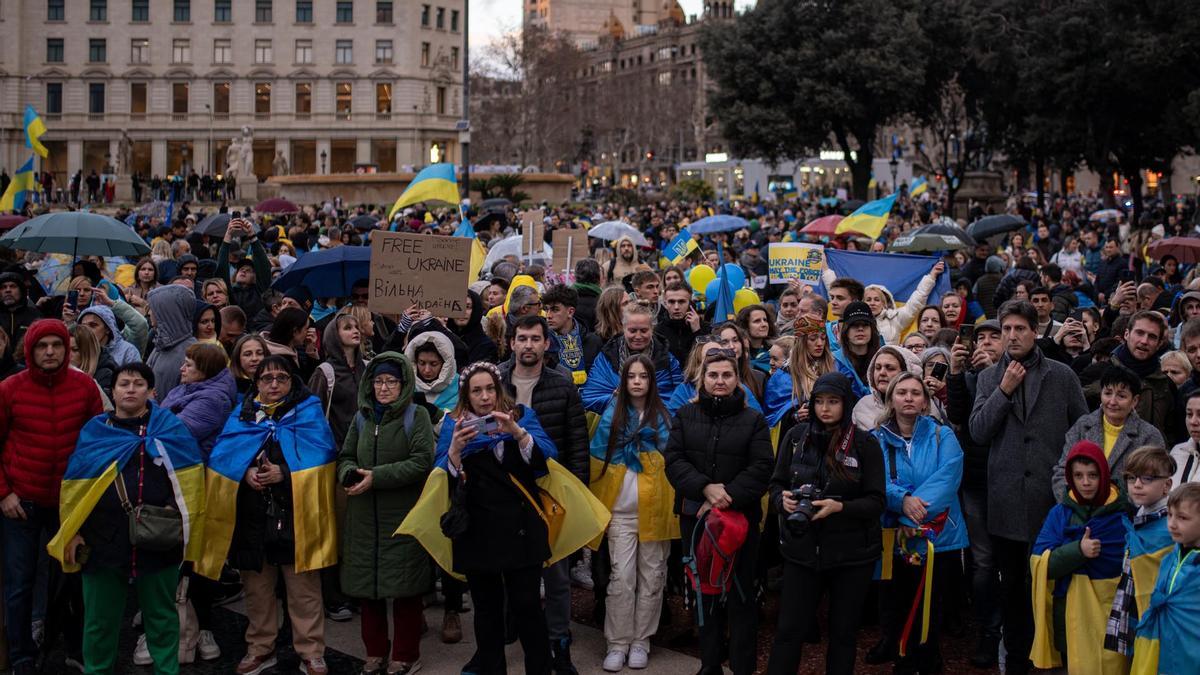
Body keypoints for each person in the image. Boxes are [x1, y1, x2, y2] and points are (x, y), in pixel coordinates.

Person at [48, 362, 206, 675]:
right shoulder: (95, 432)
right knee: (99, 622)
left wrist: (180, 518)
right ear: (113, 391)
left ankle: (167, 670)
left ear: (151, 391)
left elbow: (191, 484)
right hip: (102, 541)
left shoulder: (171, 430)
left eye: (137, 384)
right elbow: (75, 489)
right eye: (123, 384)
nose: (130, 389)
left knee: (161, 618)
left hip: (159, 539)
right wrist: (74, 532)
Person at [969, 299, 1088, 675]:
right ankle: (1016, 661)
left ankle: (1054, 658)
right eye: (1006, 329)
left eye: (1020, 328)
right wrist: (1003, 391)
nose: (1012, 335)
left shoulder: (1062, 375)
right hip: (1005, 505)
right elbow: (978, 432)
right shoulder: (989, 378)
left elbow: (1082, 430)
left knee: (1051, 587)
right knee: (1014, 591)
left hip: (1049, 504)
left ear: (1036, 331)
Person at [201, 355, 339, 675]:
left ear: (293, 381)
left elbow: (323, 456)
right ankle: (260, 646)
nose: (274, 384)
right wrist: (244, 472)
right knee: (257, 589)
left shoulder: (308, 411)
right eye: (266, 378)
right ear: (256, 383)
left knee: (303, 589)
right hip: (253, 517)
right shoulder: (243, 413)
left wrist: (285, 472)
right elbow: (223, 457)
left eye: (281, 378)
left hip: (296, 516)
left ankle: (311, 650)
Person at [435, 361, 558, 675]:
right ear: (466, 395)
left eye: (490, 388)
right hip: (477, 531)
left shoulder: (520, 416)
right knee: (486, 612)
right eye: (477, 390)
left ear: (499, 389)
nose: (485, 396)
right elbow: (439, 478)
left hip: (521, 530)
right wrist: (454, 452)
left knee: (528, 608)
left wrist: (517, 434)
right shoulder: (454, 425)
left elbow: (547, 458)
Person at [0, 320, 104, 673]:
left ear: (66, 347)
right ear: (30, 350)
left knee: (76, 581)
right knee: (19, 585)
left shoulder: (85, 387)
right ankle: (22, 657)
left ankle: (76, 648)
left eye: (56, 345)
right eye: (42, 345)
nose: (49, 352)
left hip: (71, 505)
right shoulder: (9, 389)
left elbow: (98, 444)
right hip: (22, 504)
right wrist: (4, 493)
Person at [765, 372, 885, 675]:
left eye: (833, 402)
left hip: (851, 554)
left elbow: (876, 501)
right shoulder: (796, 437)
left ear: (846, 403)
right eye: (819, 401)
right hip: (802, 551)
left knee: (843, 634)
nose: (825, 409)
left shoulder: (865, 443)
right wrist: (783, 502)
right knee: (789, 630)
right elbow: (776, 483)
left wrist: (839, 507)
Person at [664, 350, 773, 675]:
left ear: (737, 378)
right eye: (713, 375)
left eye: (727, 375)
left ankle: (742, 667)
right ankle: (709, 664)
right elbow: (674, 459)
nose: (720, 381)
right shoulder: (685, 414)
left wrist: (726, 495)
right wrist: (704, 489)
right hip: (696, 518)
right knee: (705, 593)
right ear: (702, 378)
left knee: (741, 596)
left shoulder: (753, 419)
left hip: (739, 519)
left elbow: (762, 465)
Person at [499, 315, 589, 673]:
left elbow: (577, 443)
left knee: (556, 575)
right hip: (505, 490)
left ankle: (558, 642)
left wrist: (576, 491)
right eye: (522, 338)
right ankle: (514, 628)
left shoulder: (562, 385)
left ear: (546, 344)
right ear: (512, 343)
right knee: (508, 567)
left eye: (535, 339)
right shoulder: (496, 382)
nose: (528, 345)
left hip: (550, 489)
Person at [338, 352, 435, 675]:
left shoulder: (415, 415)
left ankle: (405, 654)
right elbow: (346, 455)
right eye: (378, 381)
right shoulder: (362, 418)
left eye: (391, 381)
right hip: (364, 519)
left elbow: (422, 461)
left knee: (405, 590)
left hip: (402, 517)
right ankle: (375, 652)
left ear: (403, 383)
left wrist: (376, 477)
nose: (383, 388)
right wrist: (348, 473)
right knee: (369, 590)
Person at [873, 372, 968, 673]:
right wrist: (901, 500)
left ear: (925, 402)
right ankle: (903, 658)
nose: (909, 398)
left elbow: (948, 477)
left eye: (916, 393)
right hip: (897, 539)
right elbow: (877, 481)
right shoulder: (876, 439)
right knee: (899, 602)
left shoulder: (943, 435)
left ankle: (928, 659)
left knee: (933, 605)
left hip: (939, 537)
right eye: (902, 392)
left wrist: (908, 513)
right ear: (891, 399)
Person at [589, 355, 676, 672]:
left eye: (644, 376)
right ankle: (618, 642)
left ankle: (642, 640)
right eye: (631, 376)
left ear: (652, 382)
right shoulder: (611, 417)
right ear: (623, 381)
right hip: (621, 513)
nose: (637, 381)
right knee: (621, 579)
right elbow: (597, 462)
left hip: (654, 512)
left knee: (652, 577)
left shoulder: (663, 418)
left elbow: (673, 464)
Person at [1029, 441, 1129, 674]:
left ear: (1103, 475)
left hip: (1111, 618)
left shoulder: (1123, 516)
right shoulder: (1060, 513)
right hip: (1068, 619)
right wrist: (1078, 551)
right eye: (1078, 475)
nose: (1085, 482)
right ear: (1069, 477)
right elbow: (1039, 563)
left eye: (1092, 475)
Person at [944, 318, 1004, 666]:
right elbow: (958, 415)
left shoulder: (1018, 374)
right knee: (982, 561)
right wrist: (955, 373)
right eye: (979, 338)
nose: (984, 344)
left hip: (1013, 483)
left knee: (1013, 561)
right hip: (977, 481)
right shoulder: (968, 376)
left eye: (993, 338)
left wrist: (995, 376)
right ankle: (987, 630)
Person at [1102, 445, 1175, 659]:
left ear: (1167, 485)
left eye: (1148, 478)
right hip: (1136, 612)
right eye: (1131, 478)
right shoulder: (1138, 519)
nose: (1137, 485)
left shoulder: (1173, 526)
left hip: (1163, 620)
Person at [1053, 366, 1165, 500]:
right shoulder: (1082, 426)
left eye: (1121, 396)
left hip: (1125, 516)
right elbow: (1062, 472)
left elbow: (1152, 483)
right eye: (1107, 393)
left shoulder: (1149, 436)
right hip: (1079, 514)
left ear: (1134, 401)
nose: (1112, 402)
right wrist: (1074, 504)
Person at [1129, 483, 1200, 674]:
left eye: (1183, 517)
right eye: (1169, 515)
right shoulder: (1169, 558)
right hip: (1166, 652)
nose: (1172, 524)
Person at [582, 302, 683, 413]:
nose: (638, 336)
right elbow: (589, 397)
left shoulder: (667, 360)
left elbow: (678, 402)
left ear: (652, 329)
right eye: (632, 331)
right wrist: (616, 399)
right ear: (623, 328)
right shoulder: (607, 356)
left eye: (644, 331)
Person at [160, 342, 237, 458]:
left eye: (188, 365)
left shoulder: (213, 400)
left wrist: (148, 406)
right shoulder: (189, 385)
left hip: (186, 462)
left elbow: (176, 433)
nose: (182, 369)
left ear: (205, 370)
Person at [863, 262, 943, 344]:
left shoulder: (894, 319)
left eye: (877, 300)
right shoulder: (857, 322)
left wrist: (931, 276)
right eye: (868, 300)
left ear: (883, 303)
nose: (872, 303)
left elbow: (916, 302)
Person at [147, 284, 199, 402]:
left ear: (167, 312)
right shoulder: (161, 344)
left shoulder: (192, 352)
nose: (149, 313)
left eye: (153, 308)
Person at [542, 285, 602, 385]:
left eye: (555, 309)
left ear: (570, 312)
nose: (548, 315)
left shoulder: (593, 342)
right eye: (546, 309)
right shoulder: (543, 344)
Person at [851, 344, 920, 431]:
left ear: (905, 372)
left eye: (890, 368)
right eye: (878, 368)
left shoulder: (920, 403)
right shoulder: (863, 407)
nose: (882, 373)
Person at [77, 297, 148, 366]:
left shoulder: (127, 352)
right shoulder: (76, 349)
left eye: (93, 325)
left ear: (108, 328)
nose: (87, 329)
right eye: (83, 326)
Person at [833, 301, 881, 399]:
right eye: (854, 325)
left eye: (865, 324)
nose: (860, 329)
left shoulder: (883, 358)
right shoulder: (833, 361)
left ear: (872, 329)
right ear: (846, 330)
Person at [405, 330, 459, 411]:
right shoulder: (407, 385)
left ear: (445, 364)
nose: (427, 370)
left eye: (434, 364)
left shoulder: (460, 385)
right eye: (422, 363)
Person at [655, 282, 706, 365]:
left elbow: (705, 359)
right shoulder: (658, 331)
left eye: (681, 302)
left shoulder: (704, 327)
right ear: (665, 303)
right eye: (671, 302)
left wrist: (697, 331)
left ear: (690, 303)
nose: (676, 307)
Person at [448, 289, 498, 365]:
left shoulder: (485, 346)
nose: (462, 312)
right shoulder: (444, 335)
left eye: (468, 307)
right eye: (457, 306)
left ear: (475, 310)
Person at [0, 271, 40, 361]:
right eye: (3, 287)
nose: (8, 290)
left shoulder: (35, 315)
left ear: (21, 291)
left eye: (13, 286)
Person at [736, 304, 777, 373]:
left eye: (765, 320)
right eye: (757, 321)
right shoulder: (738, 354)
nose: (764, 324)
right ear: (745, 326)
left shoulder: (775, 351)